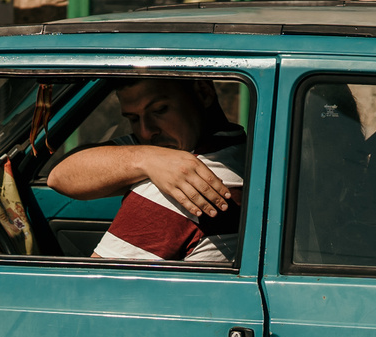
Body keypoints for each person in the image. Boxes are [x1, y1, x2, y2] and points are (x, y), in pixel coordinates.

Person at [47, 78, 246, 264]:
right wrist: (145, 159)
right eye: (133, 118)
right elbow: (59, 176)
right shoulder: (239, 146)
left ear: (203, 92)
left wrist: (146, 160)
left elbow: (99, 290)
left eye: (159, 110)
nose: (145, 132)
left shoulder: (177, 187)